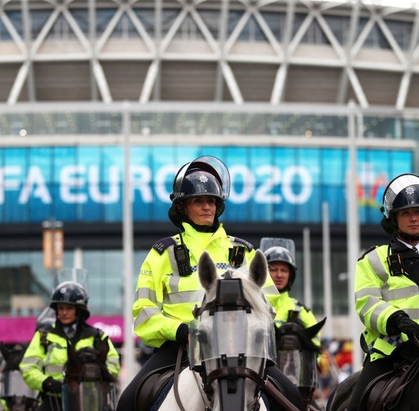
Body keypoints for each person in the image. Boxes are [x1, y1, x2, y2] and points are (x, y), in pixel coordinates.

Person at [117, 155, 304, 411]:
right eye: (198, 201)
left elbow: (269, 302)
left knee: (292, 396)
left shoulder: (243, 251)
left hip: (241, 349)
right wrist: (180, 330)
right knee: (127, 402)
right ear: (183, 207)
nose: (206, 207)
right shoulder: (162, 253)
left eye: (211, 201)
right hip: (178, 349)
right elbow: (143, 312)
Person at [346, 173, 419, 411]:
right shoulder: (372, 260)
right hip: (391, 355)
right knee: (356, 404)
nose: (413, 218)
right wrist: (396, 319)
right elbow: (366, 303)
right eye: (406, 213)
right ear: (393, 219)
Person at [20, 281, 120, 411]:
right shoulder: (43, 335)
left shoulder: (97, 336)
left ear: (79, 310)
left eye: (69, 308)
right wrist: (46, 383)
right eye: (61, 308)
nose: (64, 312)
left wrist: (96, 379)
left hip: (90, 400)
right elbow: (28, 366)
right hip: (54, 399)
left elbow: (113, 364)